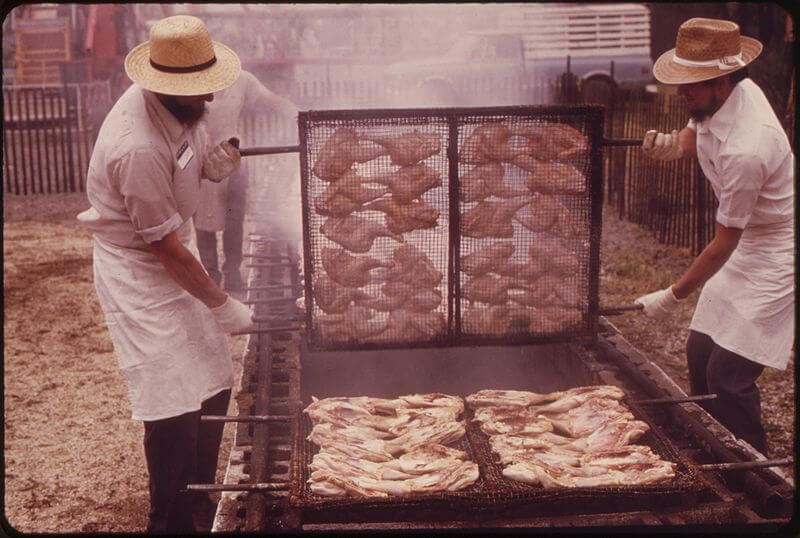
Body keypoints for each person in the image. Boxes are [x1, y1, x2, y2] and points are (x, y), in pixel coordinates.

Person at [76, 15, 254, 532]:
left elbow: (184, 158)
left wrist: (208, 166)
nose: (210, 101)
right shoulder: (135, 145)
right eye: (199, 94)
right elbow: (166, 250)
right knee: (171, 398)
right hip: (139, 268)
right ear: (165, 87)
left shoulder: (180, 114)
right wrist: (223, 304)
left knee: (215, 379)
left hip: (175, 249)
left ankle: (199, 499)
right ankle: (169, 519)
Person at [635, 18, 794, 456]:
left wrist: (671, 295)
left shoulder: (748, 149)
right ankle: (712, 450)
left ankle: (755, 472)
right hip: (744, 241)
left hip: (776, 249)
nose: (683, 94)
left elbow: (723, 244)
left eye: (692, 86)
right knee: (699, 352)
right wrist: (674, 144)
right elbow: (699, 129)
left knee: (729, 373)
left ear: (722, 80)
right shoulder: (731, 95)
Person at [194, 69, 298, 291]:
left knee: (234, 219)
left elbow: (270, 100)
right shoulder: (193, 83)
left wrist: (296, 113)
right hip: (202, 159)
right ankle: (211, 275)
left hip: (233, 157)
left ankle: (232, 273)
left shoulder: (240, 79)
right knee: (203, 223)